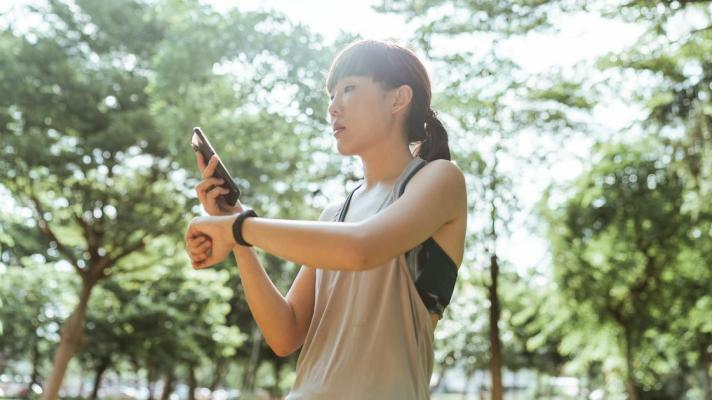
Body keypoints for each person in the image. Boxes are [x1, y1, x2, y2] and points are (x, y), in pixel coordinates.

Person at [184, 39, 467, 399]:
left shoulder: (439, 179)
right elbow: (285, 335)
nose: (333, 107)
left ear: (398, 98)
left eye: (349, 88)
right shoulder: (335, 215)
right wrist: (238, 235)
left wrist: (238, 228)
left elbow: (362, 249)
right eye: (331, 95)